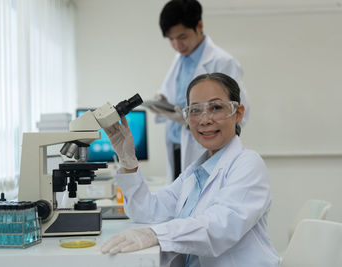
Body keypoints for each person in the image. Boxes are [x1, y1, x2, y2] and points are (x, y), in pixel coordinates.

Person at [100, 73, 279, 267]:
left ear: (238, 113)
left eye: (216, 107)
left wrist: (155, 234)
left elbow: (219, 228)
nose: (204, 120)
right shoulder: (195, 172)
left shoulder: (248, 164)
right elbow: (147, 211)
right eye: (195, 110)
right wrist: (128, 161)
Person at [150, 0, 249, 182]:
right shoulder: (179, 60)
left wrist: (190, 119)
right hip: (178, 147)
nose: (177, 45)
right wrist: (162, 100)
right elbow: (173, 95)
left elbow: (240, 111)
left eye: (182, 37)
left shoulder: (222, 62)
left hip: (205, 149)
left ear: (199, 26)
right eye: (171, 39)